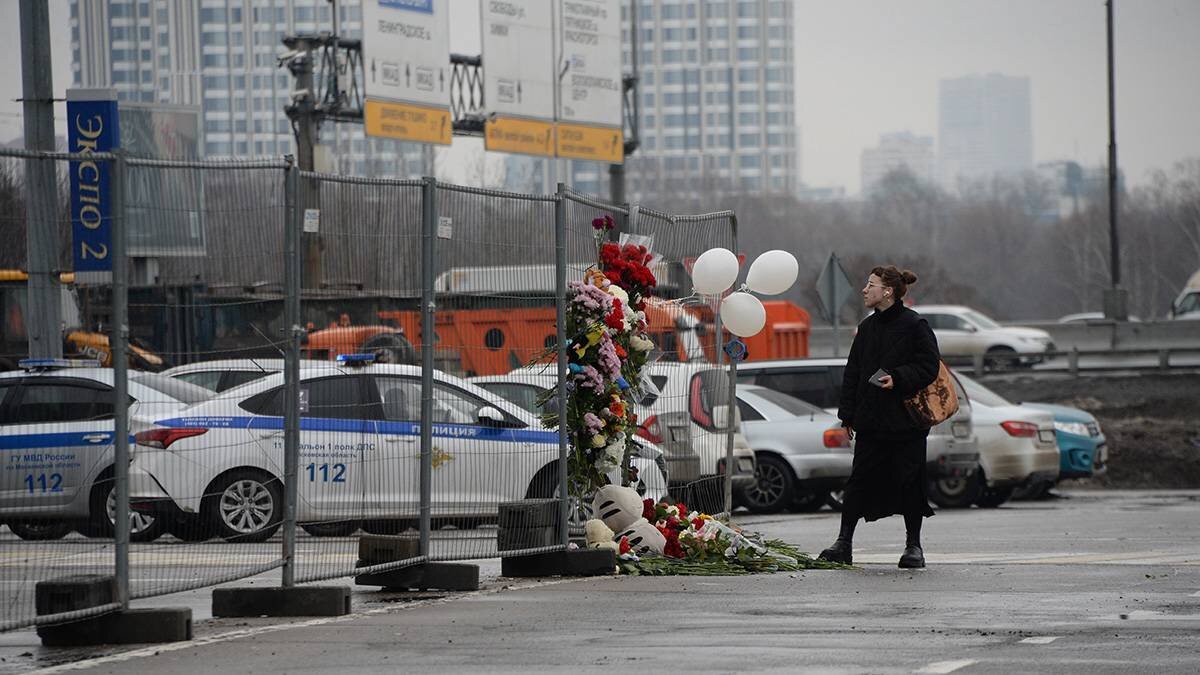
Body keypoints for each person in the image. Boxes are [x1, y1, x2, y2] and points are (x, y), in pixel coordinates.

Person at [818, 265, 940, 569]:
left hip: (906, 424)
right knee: (858, 481)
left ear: (887, 292)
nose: (864, 289)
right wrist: (847, 415)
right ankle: (843, 543)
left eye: (870, 285)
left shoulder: (915, 325)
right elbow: (853, 372)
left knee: (910, 482)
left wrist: (898, 378)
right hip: (871, 422)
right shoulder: (868, 328)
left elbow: (929, 366)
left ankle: (914, 547)